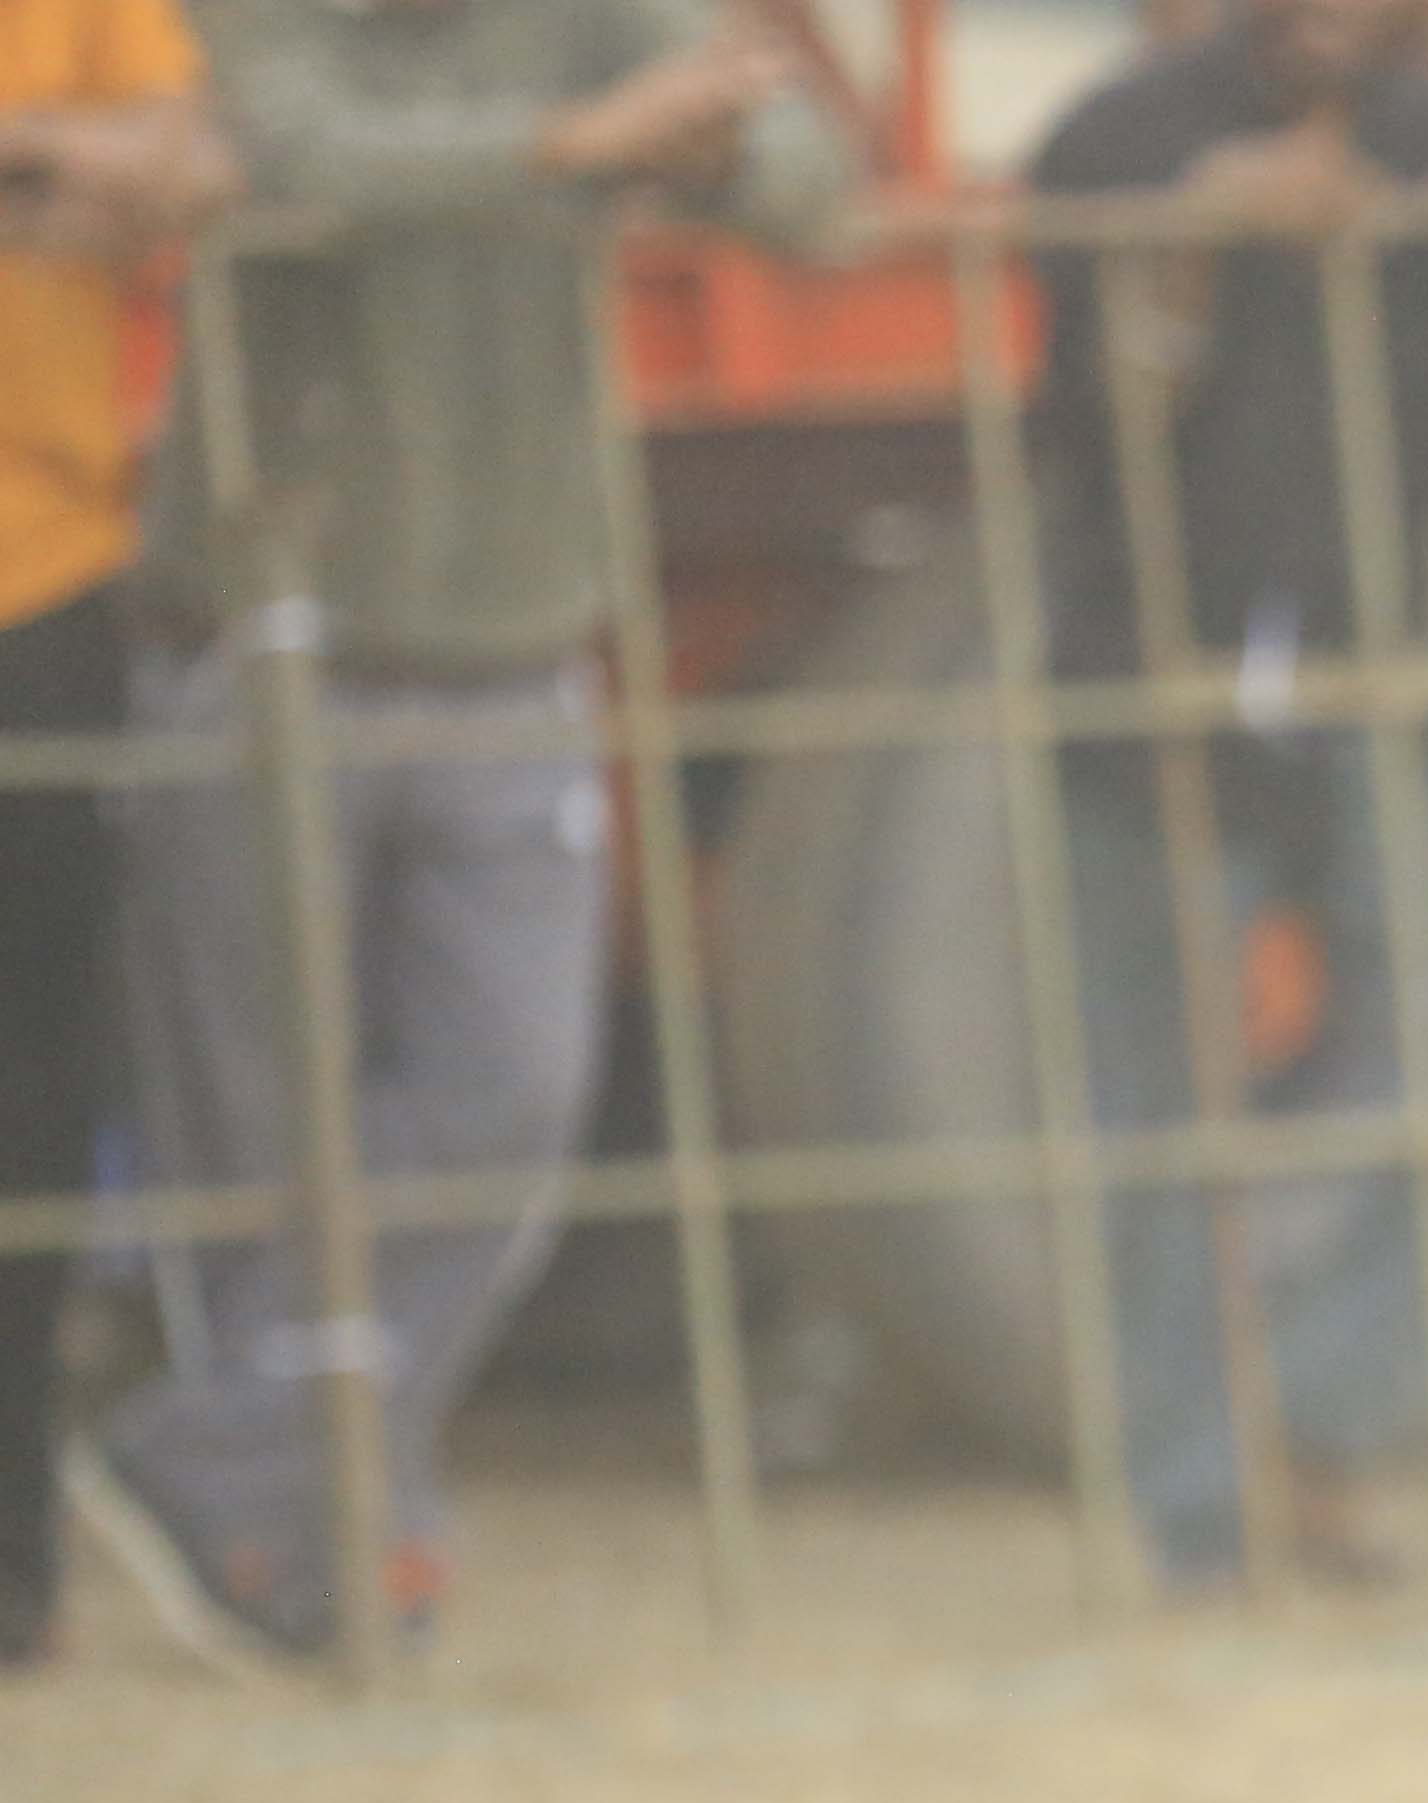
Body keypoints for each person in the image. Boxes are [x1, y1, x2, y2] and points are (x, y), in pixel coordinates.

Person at [76, 0, 846, 1662]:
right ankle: (334, 1538)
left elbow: (811, 183)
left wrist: (715, 147)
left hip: (514, 646)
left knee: (510, 1100)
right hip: (265, 640)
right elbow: (288, 150)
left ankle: (225, 1452)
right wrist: (572, 148)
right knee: (255, 1139)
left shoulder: (598, 15)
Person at [1025, 0, 1428, 1589]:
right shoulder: (1120, 139)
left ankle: (1317, 1417)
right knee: (1165, 1107)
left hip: (1376, 670)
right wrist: (1195, 238)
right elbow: (1101, 416)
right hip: (1155, 679)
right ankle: (1196, 1514)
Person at [0, 0, 226, 1671]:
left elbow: (185, 166)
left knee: (26, 1098)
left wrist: (32, 156)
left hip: (39, 580)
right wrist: (44, 178)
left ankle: (14, 1564)